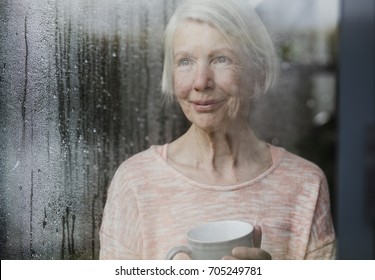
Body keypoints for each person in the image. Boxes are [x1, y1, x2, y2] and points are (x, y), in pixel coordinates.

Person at [99, 0, 336, 260]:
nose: (201, 82)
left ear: (257, 72)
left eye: (221, 59)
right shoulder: (135, 182)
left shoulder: (305, 184)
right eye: (185, 61)